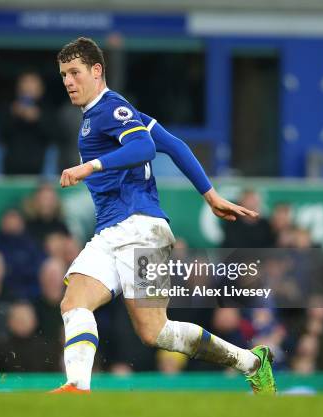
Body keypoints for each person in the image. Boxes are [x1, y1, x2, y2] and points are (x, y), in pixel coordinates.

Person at [52, 37, 275, 394]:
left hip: (140, 228)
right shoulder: (113, 113)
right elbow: (173, 144)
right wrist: (210, 193)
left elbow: (144, 148)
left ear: (97, 71)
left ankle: (250, 362)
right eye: (64, 74)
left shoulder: (111, 109)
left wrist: (89, 167)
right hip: (113, 230)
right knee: (77, 303)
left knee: (155, 330)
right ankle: (77, 387)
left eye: (75, 72)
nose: (68, 81)